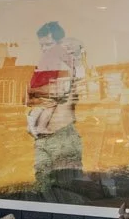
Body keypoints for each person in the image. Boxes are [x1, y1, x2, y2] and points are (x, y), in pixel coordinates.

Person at [25, 20, 86, 189]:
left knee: (65, 187)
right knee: (43, 185)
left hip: (61, 135)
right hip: (44, 139)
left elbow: (57, 92)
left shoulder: (69, 70)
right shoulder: (50, 67)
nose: (47, 50)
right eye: (43, 46)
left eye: (50, 45)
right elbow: (34, 97)